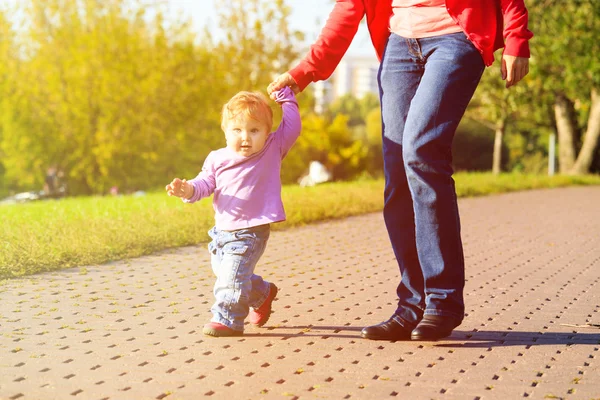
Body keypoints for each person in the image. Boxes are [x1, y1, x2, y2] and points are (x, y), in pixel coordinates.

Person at [268, 0, 532, 341]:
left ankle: (443, 302)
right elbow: (349, 9)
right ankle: (412, 305)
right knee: (398, 175)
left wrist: (516, 37)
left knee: (421, 153)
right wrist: (306, 69)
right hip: (399, 46)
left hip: (455, 37)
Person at [166, 87, 301, 337]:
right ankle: (262, 294)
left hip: (251, 232)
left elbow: (292, 127)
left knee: (230, 280)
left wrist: (285, 97)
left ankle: (227, 319)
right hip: (221, 233)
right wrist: (186, 190)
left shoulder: (272, 148)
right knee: (232, 274)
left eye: (254, 130)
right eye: (237, 130)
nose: (245, 137)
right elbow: (204, 184)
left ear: (267, 132)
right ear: (225, 131)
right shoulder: (217, 158)